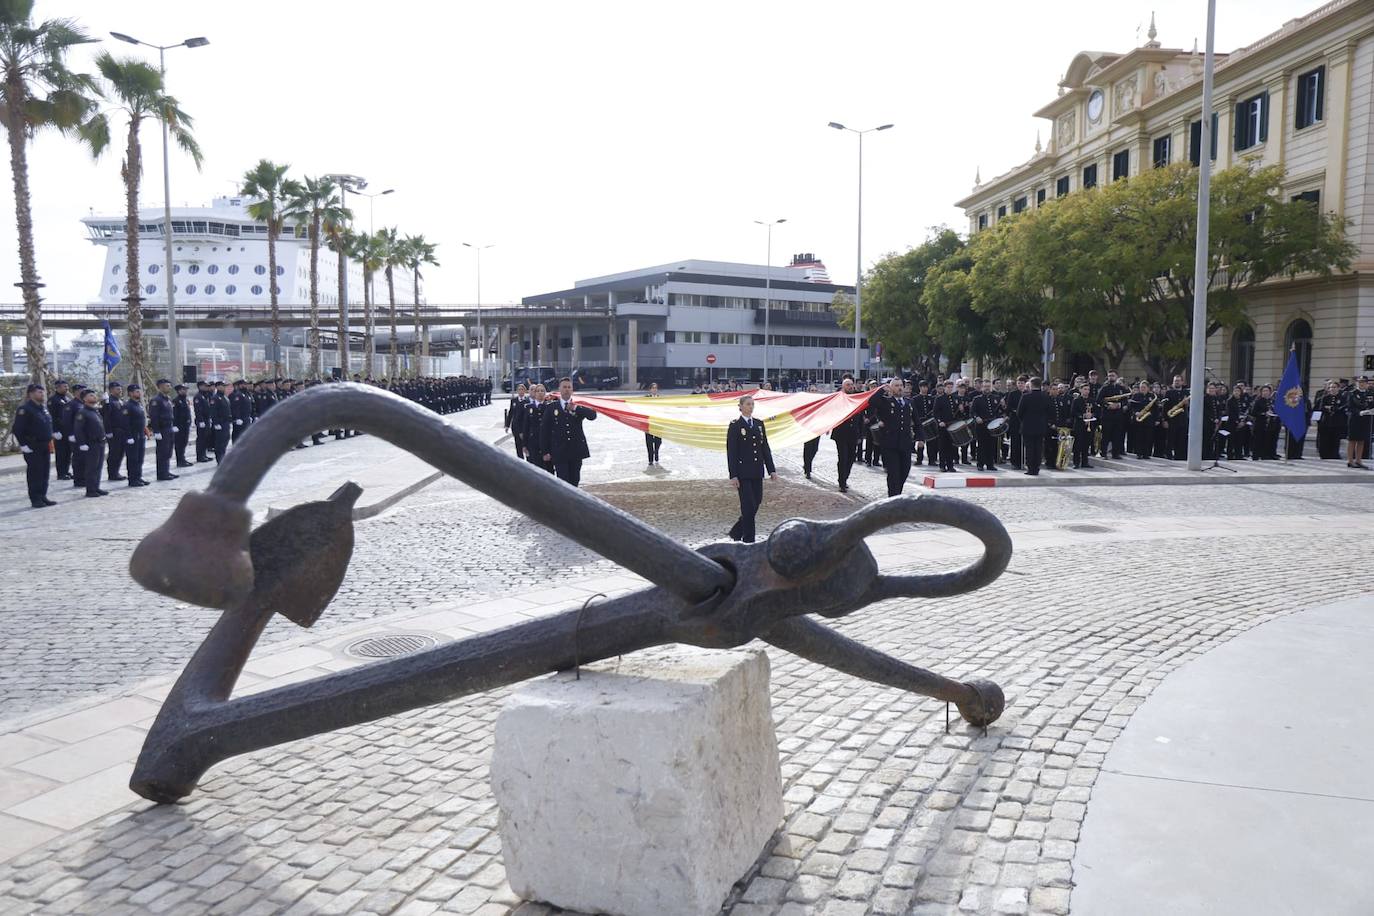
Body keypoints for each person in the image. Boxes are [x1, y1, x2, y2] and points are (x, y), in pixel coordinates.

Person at [726, 395, 776, 543]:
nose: (751, 407)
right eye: (748, 404)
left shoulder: (759, 424)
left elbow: (765, 448)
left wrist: (771, 469)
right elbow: (732, 452)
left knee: (757, 502)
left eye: (752, 404)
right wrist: (733, 475)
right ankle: (749, 540)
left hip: (756, 471)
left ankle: (737, 531)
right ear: (740, 407)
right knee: (748, 506)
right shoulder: (735, 425)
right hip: (742, 472)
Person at [540, 377, 597, 487]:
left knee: (575, 480)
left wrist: (576, 408)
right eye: (564, 387)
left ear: (572, 390)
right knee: (562, 481)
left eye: (569, 387)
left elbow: (592, 416)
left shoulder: (579, 405)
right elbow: (544, 430)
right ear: (559, 389)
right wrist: (545, 451)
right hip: (559, 451)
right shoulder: (551, 407)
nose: (566, 389)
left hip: (575, 450)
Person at [11, 383, 56, 508]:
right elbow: (18, 429)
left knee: (44, 472)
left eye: (43, 392)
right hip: (33, 445)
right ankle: (35, 498)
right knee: (35, 473)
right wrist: (23, 445)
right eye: (39, 392)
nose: (42, 394)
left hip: (44, 444)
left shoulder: (43, 408)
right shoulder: (25, 409)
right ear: (31, 394)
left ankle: (43, 496)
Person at [873, 377, 914, 495]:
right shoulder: (885, 402)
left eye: (901, 385)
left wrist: (920, 438)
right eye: (896, 385)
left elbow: (916, 421)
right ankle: (893, 497)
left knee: (904, 472)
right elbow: (872, 402)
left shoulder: (909, 402)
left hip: (905, 444)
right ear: (891, 387)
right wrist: (881, 390)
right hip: (890, 444)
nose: (899, 388)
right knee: (893, 473)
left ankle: (897, 494)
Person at [73, 387, 108, 497]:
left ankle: (96, 487)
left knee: (98, 467)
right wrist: (82, 443)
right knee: (91, 468)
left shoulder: (94, 410)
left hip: (100, 443)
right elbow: (78, 429)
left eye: (94, 395)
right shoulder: (83, 412)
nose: (94, 397)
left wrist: (106, 402)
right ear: (84, 399)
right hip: (91, 443)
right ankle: (90, 490)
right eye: (90, 395)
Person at [830, 376, 861, 492]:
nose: (851, 386)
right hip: (841, 434)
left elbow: (860, 417)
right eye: (848, 385)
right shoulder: (838, 398)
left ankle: (845, 478)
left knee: (851, 458)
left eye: (851, 384)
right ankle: (841, 482)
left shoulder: (857, 398)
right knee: (843, 458)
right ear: (843, 387)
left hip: (853, 434)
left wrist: (860, 434)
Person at [1017, 377, 1052, 476]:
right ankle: (1036, 468)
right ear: (1040, 385)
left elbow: (1019, 413)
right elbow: (1050, 412)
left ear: (1031, 385)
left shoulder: (1025, 396)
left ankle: (1030, 468)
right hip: (1041, 426)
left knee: (1029, 448)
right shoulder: (1045, 396)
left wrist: (1024, 420)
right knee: (1038, 448)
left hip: (1028, 426)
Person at [148, 378, 178, 481]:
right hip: (162, 429)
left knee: (168, 451)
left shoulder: (168, 399)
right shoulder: (156, 400)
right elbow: (154, 416)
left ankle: (166, 471)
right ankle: (161, 474)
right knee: (162, 452)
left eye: (169, 385)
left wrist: (173, 424)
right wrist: (156, 431)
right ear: (160, 387)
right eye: (167, 386)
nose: (169, 387)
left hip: (169, 428)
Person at [121, 383, 150, 486]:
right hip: (132, 436)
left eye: (139, 391)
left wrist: (145, 430)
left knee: (140, 458)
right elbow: (125, 422)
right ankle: (132, 479)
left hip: (140, 435)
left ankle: (138, 477)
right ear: (130, 393)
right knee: (133, 459)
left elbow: (141, 420)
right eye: (137, 391)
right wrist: (128, 436)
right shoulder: (127, 406)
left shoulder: (138, 404)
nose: (139, 393)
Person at [971, 379, 999, 472]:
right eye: (985, 386)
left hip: (992, 426)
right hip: (981, 426)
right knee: (981, 446)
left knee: (991, 445)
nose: (987, 388)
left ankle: (990, 464)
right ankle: (980, 464)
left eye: (988, 386)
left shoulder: (995, 398)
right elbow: (973, 412)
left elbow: (998, 411)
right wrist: (977, 417)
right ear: (982, 387)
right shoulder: (977, 399)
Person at [48, 379, 72, 481]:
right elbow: (51, 416)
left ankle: (66, 471)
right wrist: (54, 430)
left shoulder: (66, 398)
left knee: (67, 452)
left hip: (67, 430)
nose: (66, 388)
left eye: (67, 386)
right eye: (64, 386)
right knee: (61, 453)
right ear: (57, 388)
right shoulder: (53, 400)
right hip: (59, 431)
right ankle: (61, 473)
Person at [1313, 380, 1344, 460]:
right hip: (1326, 422)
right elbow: (1321, 408)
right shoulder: (1324, 398)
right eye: (1330, 387)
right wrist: (1328, 408)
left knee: (1335, 440)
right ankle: (1324, 454)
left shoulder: (1342, 397)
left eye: (1334, 387)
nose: (1332, 389)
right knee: (1325, 440)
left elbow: (1342, 408)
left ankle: (1334, 454)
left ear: (1338, 388)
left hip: (1337, 422)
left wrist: (1333, 408)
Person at [62, 385, 87, 488]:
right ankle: (79, 479)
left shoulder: (84, 404)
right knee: (78, 458)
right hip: (76, 436)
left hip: (85, 436)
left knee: (85, 458)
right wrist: (71, 434)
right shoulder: (71, 405)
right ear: (76, 392)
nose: (84, 393)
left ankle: (84, 477)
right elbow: (67, 421)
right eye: (82, 391)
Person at [1346, 376, 1372, 468]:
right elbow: (1350, 407)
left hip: (1366, 419)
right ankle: (1350, 460)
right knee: (1352, 440)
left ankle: (1358, 460)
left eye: (1364, 382)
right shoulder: (1352, 393)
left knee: (1361, 440)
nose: (1361, 384)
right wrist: (1359, 412)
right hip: (1355, 419)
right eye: (1360, 382)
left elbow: (1371, 404)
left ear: (1367, 383)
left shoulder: (1370, 393)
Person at [102, 381, 126, 482]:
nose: (120, 390)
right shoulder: (109, 402)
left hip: (122, 431)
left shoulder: (120, 401)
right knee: (114, 453)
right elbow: (106, 417)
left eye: (120, 388)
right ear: (111, 390)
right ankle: (112, 473)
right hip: (114, 431)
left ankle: (116, 471)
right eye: (117, 389)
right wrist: (108, 431)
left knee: (120, 452)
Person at [933, 380, 959, 473]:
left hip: (952, 426)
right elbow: (935, 413)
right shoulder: (939, 399)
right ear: (944, 388)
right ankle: (942, 465)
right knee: (942, 446)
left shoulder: (955, 398)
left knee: (951, 446)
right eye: (948, 387)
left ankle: (950, 465)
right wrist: (940, 421)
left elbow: (956, 413)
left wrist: (960, 409)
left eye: (951, 387)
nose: (950, 389)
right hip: (943, 426)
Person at [209, 380, 233, 463]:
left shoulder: (224, 397)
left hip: (226, 423)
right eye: (223, 386)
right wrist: (216, 423)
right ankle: (219, 459)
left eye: (224, 386)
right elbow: (213, 411)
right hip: (220, 423)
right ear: (218, 387)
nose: (224, 388)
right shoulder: (215, 398)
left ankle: (223, 456)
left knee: (225, 441)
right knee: (220, 443)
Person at [172, 384, 193, 467]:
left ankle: (183, 459)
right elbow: (174, 414)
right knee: (179, 444)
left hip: (185, 425)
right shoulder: (176, 401)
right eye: (183, 389)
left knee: (184, 442)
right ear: (179, 391)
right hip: (179, 426)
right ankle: (180, 461)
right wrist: (174, 425)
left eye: (186, 389)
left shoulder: (186, 400)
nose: (185, 391)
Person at [507, 383, 528, 460]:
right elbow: (510, 413)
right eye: (519, 389)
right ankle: (520, 460)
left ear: (525, 391)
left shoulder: (527, 401)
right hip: (515, 427)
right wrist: (507, 425)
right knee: (518, 446)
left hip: (524, 427)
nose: (521, 391)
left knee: (525, 446)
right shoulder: (514, 400)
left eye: (522, 389)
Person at [193, 380, 212, 463]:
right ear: (200, 386)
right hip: (202, 420)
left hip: (206, 420)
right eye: (205, 386)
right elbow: (198, 410)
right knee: (201, 439)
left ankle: (204, 455)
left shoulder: (205, 395)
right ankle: (200, 456)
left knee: (205, 438)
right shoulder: (198, 396)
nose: (206, 387)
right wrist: (200, 420)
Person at [644, 382, 663, 465]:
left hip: (658, 422)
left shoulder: (660, 399)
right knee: (649, 441)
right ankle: (650, 459)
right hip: (648, 422)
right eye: (653, 388)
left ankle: (656, 453)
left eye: (656, 388)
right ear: (650, 389)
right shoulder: (645, 398)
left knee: (658, 441)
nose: (654, 389)